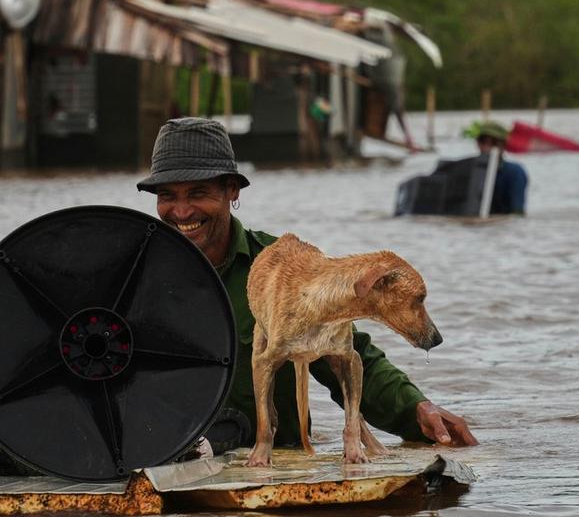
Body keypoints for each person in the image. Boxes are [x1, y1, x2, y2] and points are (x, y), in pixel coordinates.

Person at [138, 117, 477, 451]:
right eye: (167, 196)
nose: (181, 212)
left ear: (231, 190)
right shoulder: (135, 277)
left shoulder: (285, 270)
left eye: (198, 193)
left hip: (273, 463)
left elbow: (352, 356)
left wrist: (416, 409)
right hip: (170, 456)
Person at [464, 120, 528, 215]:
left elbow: (517, 213)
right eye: (483, 141)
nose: (487, 147)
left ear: (503, 145)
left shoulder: (514, 172)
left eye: (493, 143)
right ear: (478, 143)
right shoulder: (468, 170)